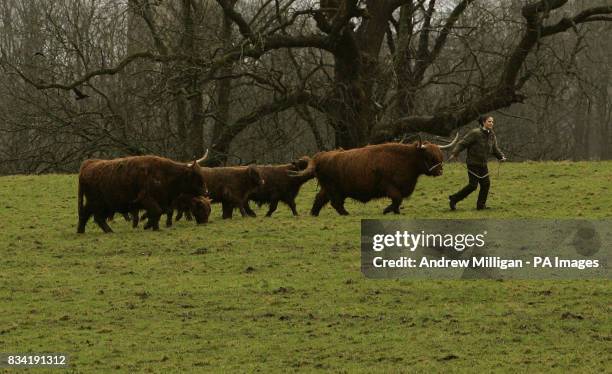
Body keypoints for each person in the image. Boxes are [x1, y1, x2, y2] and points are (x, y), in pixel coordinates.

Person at [448, 115, 506, 210]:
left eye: (492, 122)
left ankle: (480, 205)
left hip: (483, 164)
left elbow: (495, 149)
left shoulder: (492, 135)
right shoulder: (475, 133)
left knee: (486, 184)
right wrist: (455, 153)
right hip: (472, 163)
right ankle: (454, 199)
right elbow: (463, 143)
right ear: (483, 122)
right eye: (489, 121)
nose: (491, 123)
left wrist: (501, 157)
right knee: (473, 185)